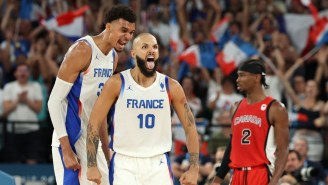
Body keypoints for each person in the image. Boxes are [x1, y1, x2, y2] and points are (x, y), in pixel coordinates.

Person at [86, 33, 199, 185]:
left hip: (158, 163)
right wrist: (92, 164)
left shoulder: (171, 86)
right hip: (124, 163)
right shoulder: (116, 83)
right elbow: (94, 122)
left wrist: (194, 168)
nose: (151, 50)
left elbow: (190, 127)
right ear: (133, 53)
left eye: (155, 47)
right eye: (145, 47)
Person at [47, 5, 136, 185]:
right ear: (108, 27)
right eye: (124, 30)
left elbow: (100, 111)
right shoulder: (82, 50)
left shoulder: (113, 57)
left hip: (91, 140)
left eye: (132, 32)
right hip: (71, 135)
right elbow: (54, 101)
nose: (128, 37)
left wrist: (107, 153)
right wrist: (65, 149)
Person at [211, 59, 289, 185]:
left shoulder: (275, 108)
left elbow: (283, 150)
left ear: (257, 77)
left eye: (242, 75)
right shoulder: (235, 107)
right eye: (238, 76)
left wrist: (274, 181)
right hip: (236, 174)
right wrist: (217, 179)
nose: (237, 80)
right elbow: (232, 145)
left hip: (260, 173)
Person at [2, 63, 43, 163]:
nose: (22, 73)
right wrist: (18, 100)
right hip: (13, 130)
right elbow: (6, 110)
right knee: (14, 160)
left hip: (32, 129)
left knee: (32, 158)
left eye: (25, 71)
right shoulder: (9, 87)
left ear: (29, 74)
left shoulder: (35, 86)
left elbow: (38, 108)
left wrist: (26, 100)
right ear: (15, 73)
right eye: (20, 71)